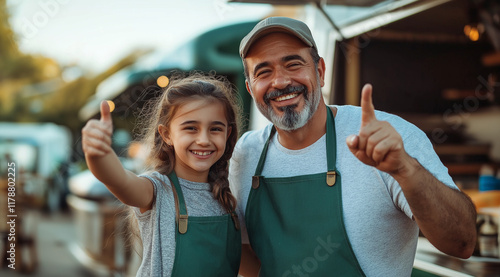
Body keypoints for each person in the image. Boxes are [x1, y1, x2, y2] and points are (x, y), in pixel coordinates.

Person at [229, 17, 477, 276]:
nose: (279, 82)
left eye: (293, 63)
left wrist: (406, 169)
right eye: (263, 71)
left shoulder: (389, 137)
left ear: (320, 72)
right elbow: (248, 255)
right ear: (250, 87)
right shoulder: (246, 154)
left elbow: (462, 242)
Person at [82, 74, 242, 276]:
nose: (203, 139)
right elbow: (119, 180)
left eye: (215, 129)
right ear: (167, 135)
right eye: (191, 128)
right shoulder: (157, 188)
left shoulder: (229, 194)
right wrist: (98, 154)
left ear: (228, 134)